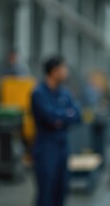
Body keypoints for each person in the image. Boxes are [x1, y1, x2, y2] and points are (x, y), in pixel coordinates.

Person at [30, 56, 81, 206]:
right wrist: (65, 115)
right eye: (64, 68)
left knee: (61, 190)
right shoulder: (39, 93)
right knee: (46, 193)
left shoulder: (65, 92)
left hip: (62, 148)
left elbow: (77, 115)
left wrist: (61, 118)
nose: (67, 72)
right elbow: (51, 118)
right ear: (54, 71)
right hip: (46, 149)